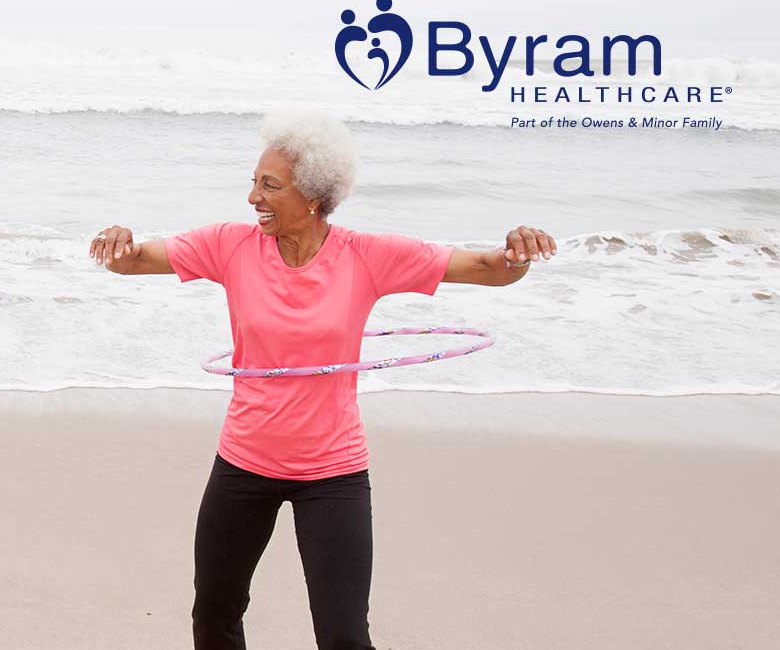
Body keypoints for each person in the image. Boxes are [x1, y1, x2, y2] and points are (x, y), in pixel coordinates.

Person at [87, 111, 554, 650]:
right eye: (253, 181)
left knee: (344, 639)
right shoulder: (229, 245)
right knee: (214, 614)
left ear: (311, 195)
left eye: (269, 185)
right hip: (244, 463)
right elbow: (136, 260)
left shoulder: (366, 256)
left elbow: (487, 268)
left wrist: (519, 253)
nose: (252, 198)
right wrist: (118, 245)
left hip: (332, 472)